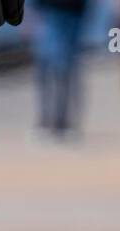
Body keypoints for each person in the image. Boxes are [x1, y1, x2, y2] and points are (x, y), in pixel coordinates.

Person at [33, 0, 90, 138]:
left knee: (65, 70)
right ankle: (49, 121)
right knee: (51, 69)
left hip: (73, 14)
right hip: (50, 13)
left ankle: (63, 122)